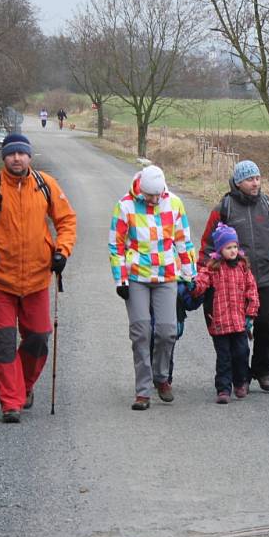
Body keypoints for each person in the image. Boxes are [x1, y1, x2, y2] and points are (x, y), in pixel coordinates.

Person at [0, 133, 77, 423]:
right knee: (4, 343)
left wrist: (62, 252)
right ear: (4, 157)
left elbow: (67, 221)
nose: (16, 158)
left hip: (37, 279)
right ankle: (10, 402)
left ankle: (23, 386)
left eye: (21, 154)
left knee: (38, 338)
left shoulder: (45, 185)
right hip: (1, 280)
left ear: (29, 156)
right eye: (11, 154)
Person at [198, 160, 269, 393]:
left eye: (257, 178)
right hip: (231, 281)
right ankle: (237, 374)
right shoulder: (224, 208)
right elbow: (207, 246)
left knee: (266, 325)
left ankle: (262, 370)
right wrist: (203, 280)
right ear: (238, 182)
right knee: (234, 328)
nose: (255, 183)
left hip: (265, 278)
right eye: (250, 179)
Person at [109, 165, 197, 411]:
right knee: (141, 332)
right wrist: (121, 279)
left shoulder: (175, 203)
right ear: (141, 190)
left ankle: (161, 377)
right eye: (150, 196)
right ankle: (143, 391)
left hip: (167, 274)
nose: (154, 200)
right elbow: (115, 245)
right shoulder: (125, 205)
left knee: (168, 331)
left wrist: (190, 273)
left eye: (158, 195)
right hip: (136, 276)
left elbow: (183, 241)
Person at [193, 223, 260, 404]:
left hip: (239, 322)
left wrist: (250, 313)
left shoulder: (243, 267)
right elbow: (201, 282)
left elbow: (251, 290)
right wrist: (193, 285)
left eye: (235, 247)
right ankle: (223, 388)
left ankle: (240, 382)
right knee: (224, 357)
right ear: (220, 249)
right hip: (220, 322)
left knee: (241, 352)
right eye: (228, 247)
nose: (233, 251)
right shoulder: (213, 268)